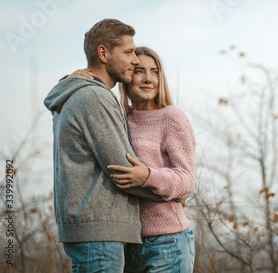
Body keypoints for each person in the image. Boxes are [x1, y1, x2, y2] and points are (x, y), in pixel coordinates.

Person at [43, 19, 162, 273]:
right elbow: (122, 167)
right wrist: (169, 192)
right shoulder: (94, 97)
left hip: (95, 232)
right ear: (103, 53)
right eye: (128, 52)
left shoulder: (82, 93)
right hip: (98, 234)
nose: (135, 61)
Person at [71, 47, 196, 272]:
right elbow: (75, 118)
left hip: (168, 243)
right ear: (127, 76)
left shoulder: (171, 117)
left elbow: (187, 180)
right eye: (139, 71)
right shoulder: (119, 117)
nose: (148, 79)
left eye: (154, 72)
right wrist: (73, 81)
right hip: (127, 243)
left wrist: (148, 176)